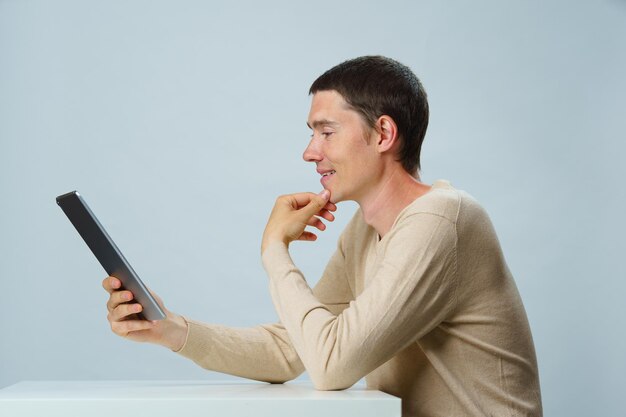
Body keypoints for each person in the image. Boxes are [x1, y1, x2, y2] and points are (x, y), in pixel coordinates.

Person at [102, 56, 542, 416]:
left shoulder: (442, 220)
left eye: (326, 132)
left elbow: (332, 365)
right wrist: (171, 329)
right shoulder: (365, 232)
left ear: (384, 134)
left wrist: (275, 251)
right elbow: (291, 351)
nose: (310, 152)